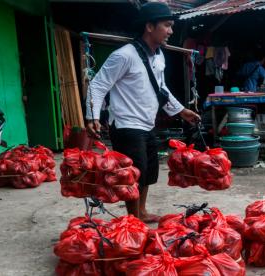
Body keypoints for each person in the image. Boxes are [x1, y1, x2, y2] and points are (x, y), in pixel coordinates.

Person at [85, 2, 200, 223]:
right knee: (133, 174)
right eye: (167, 26)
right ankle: (133, 219)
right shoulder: (124, 55)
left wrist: (182, 110)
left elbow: (161, 89)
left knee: (147, 172)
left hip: (147, 123)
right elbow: (97, 85)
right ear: (149, 26)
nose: (170, 31)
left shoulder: (158, 56)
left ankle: (142, 211)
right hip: (126, 125)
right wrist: (93, 116)